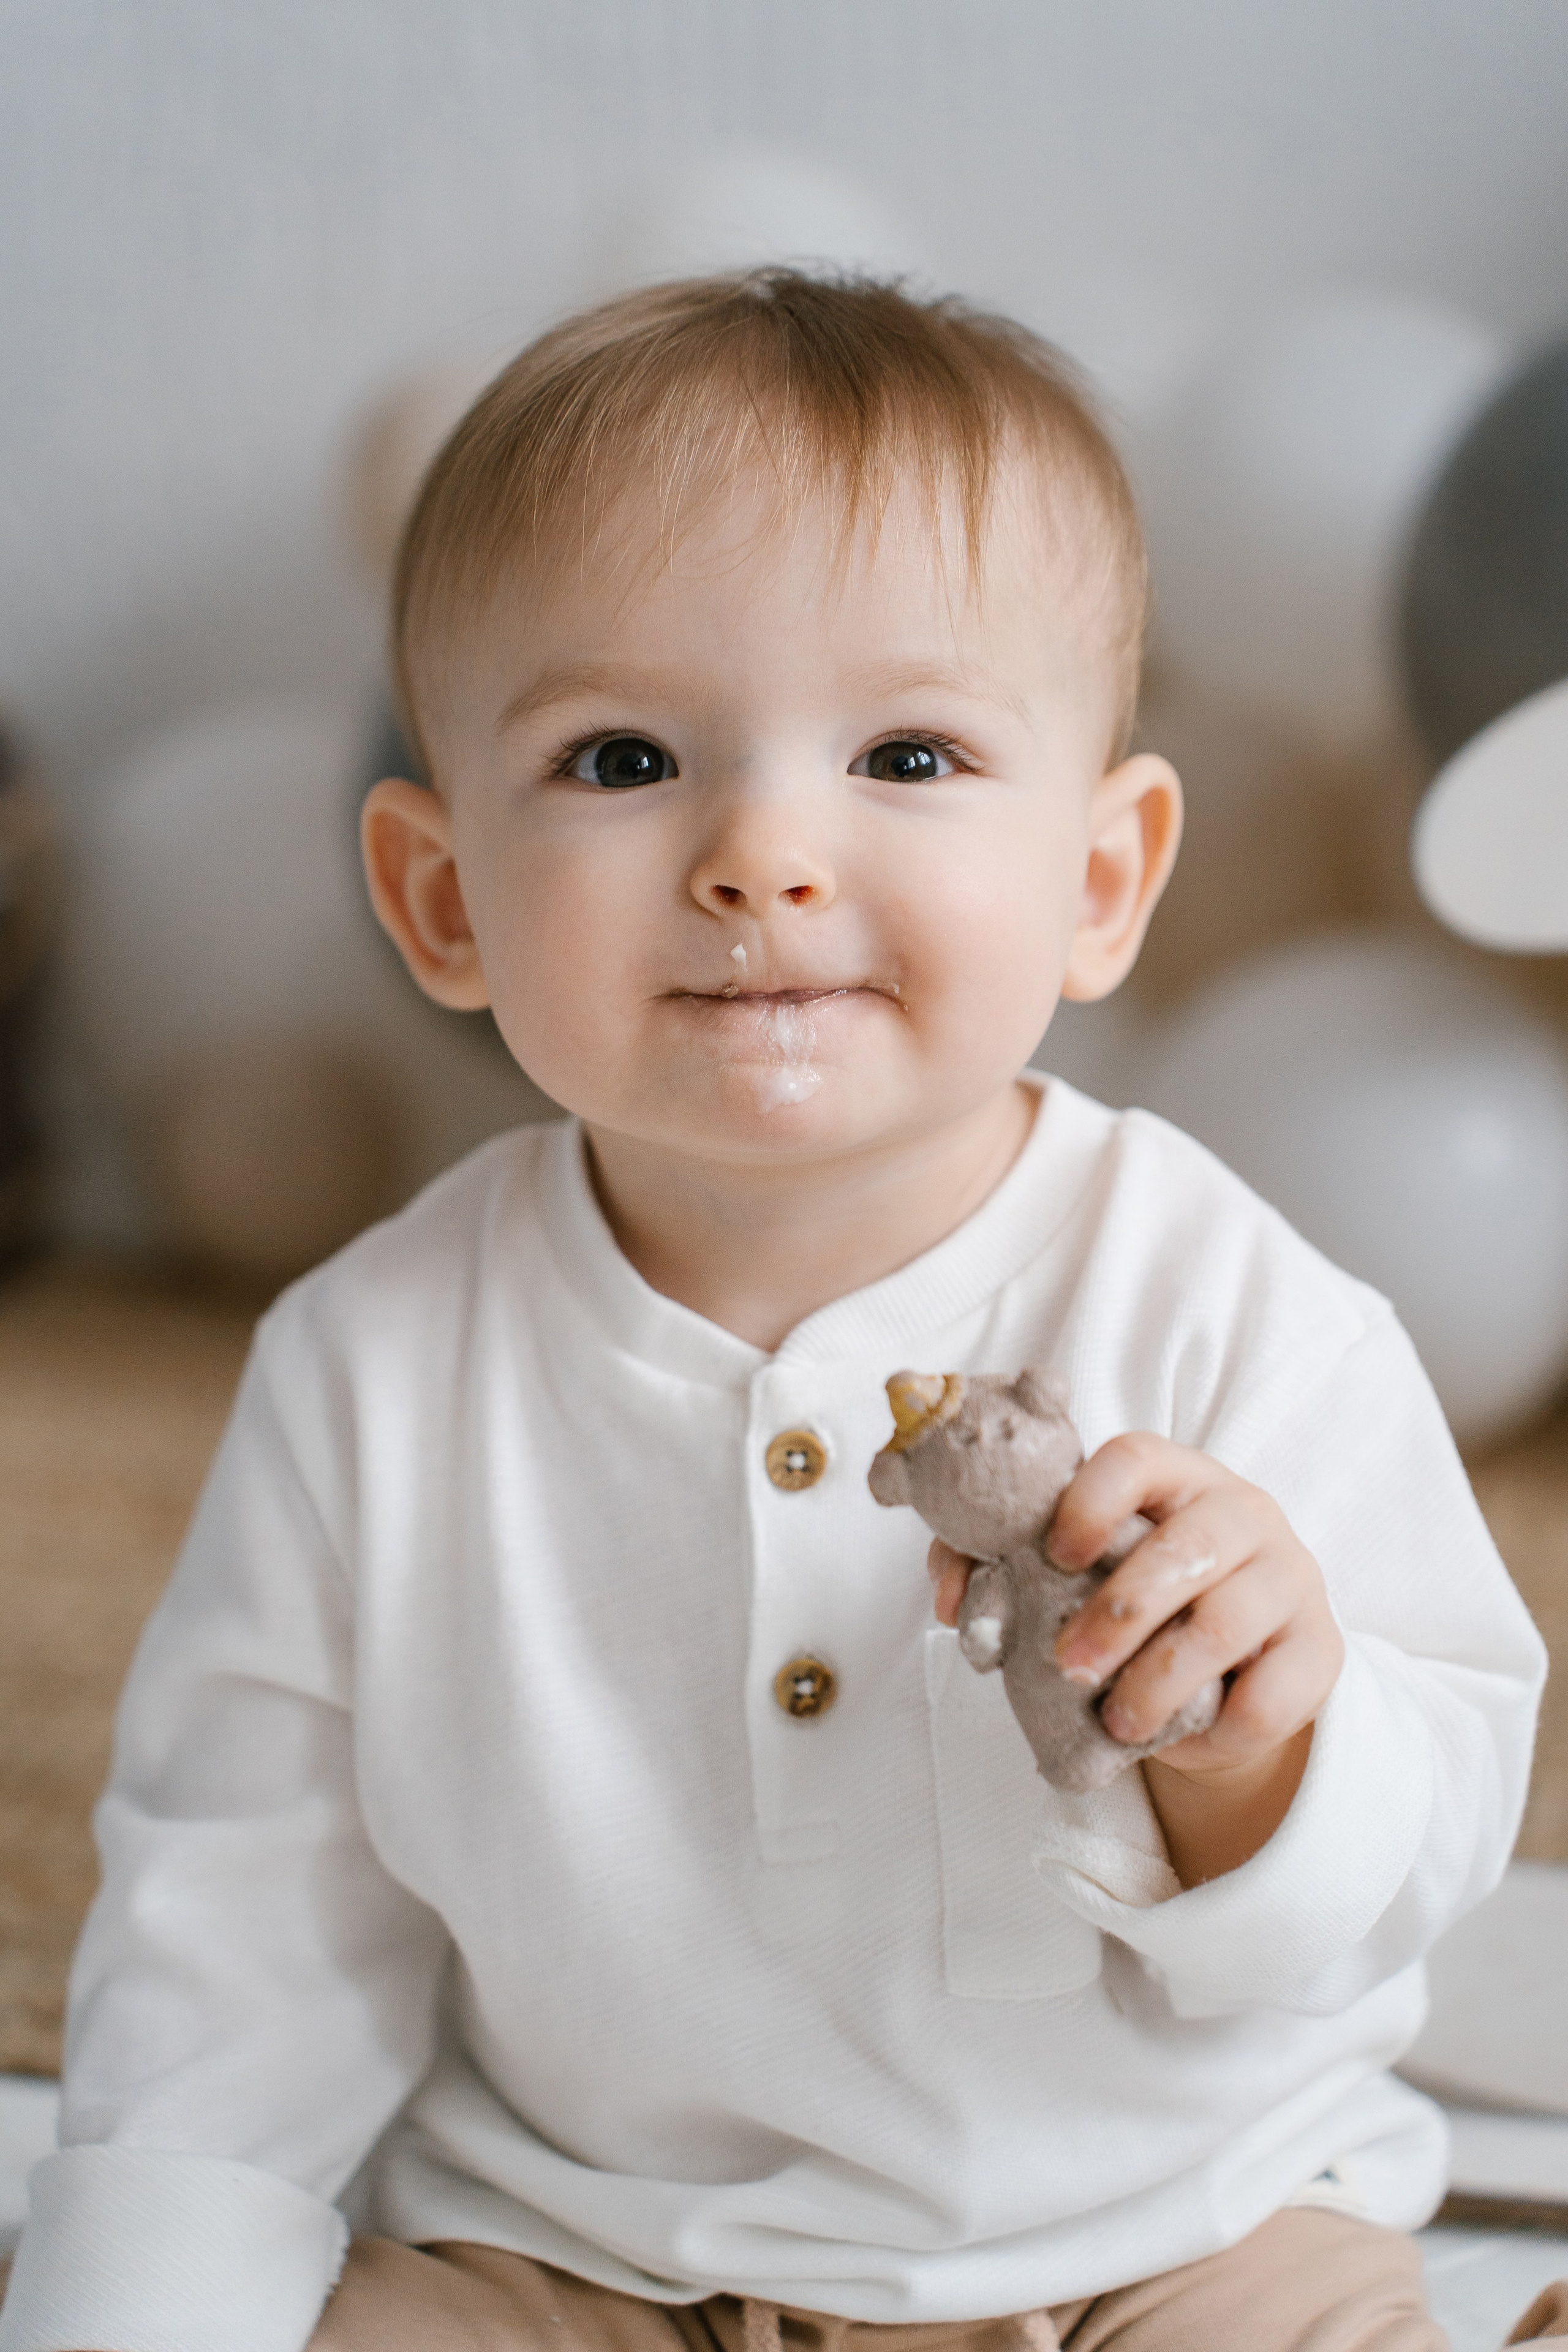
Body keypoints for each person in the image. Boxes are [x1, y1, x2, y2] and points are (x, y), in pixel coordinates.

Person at [0, 271, 1558, 2352]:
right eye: (624, 755)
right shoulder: (371, 1373)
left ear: (1104, 880)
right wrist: (154, 2288)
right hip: (581, 2253)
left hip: (1164, 2241)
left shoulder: (1232, 1303)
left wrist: (1261, 1746)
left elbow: (1416, 1841)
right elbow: (243, 1929)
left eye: (907, 751)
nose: (762, 854)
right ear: (441, 902)